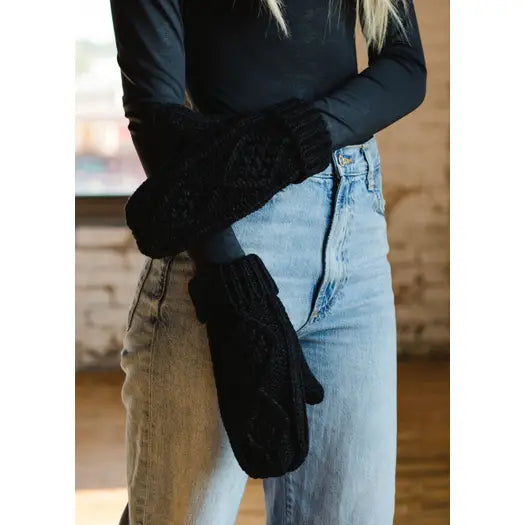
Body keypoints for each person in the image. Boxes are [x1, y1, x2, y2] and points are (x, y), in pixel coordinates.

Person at [109, 0, 426, 523]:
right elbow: (155, 112)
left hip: (357, 236)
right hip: (223, 236)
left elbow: (406, 68)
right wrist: (230, 280)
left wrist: (287, 142)